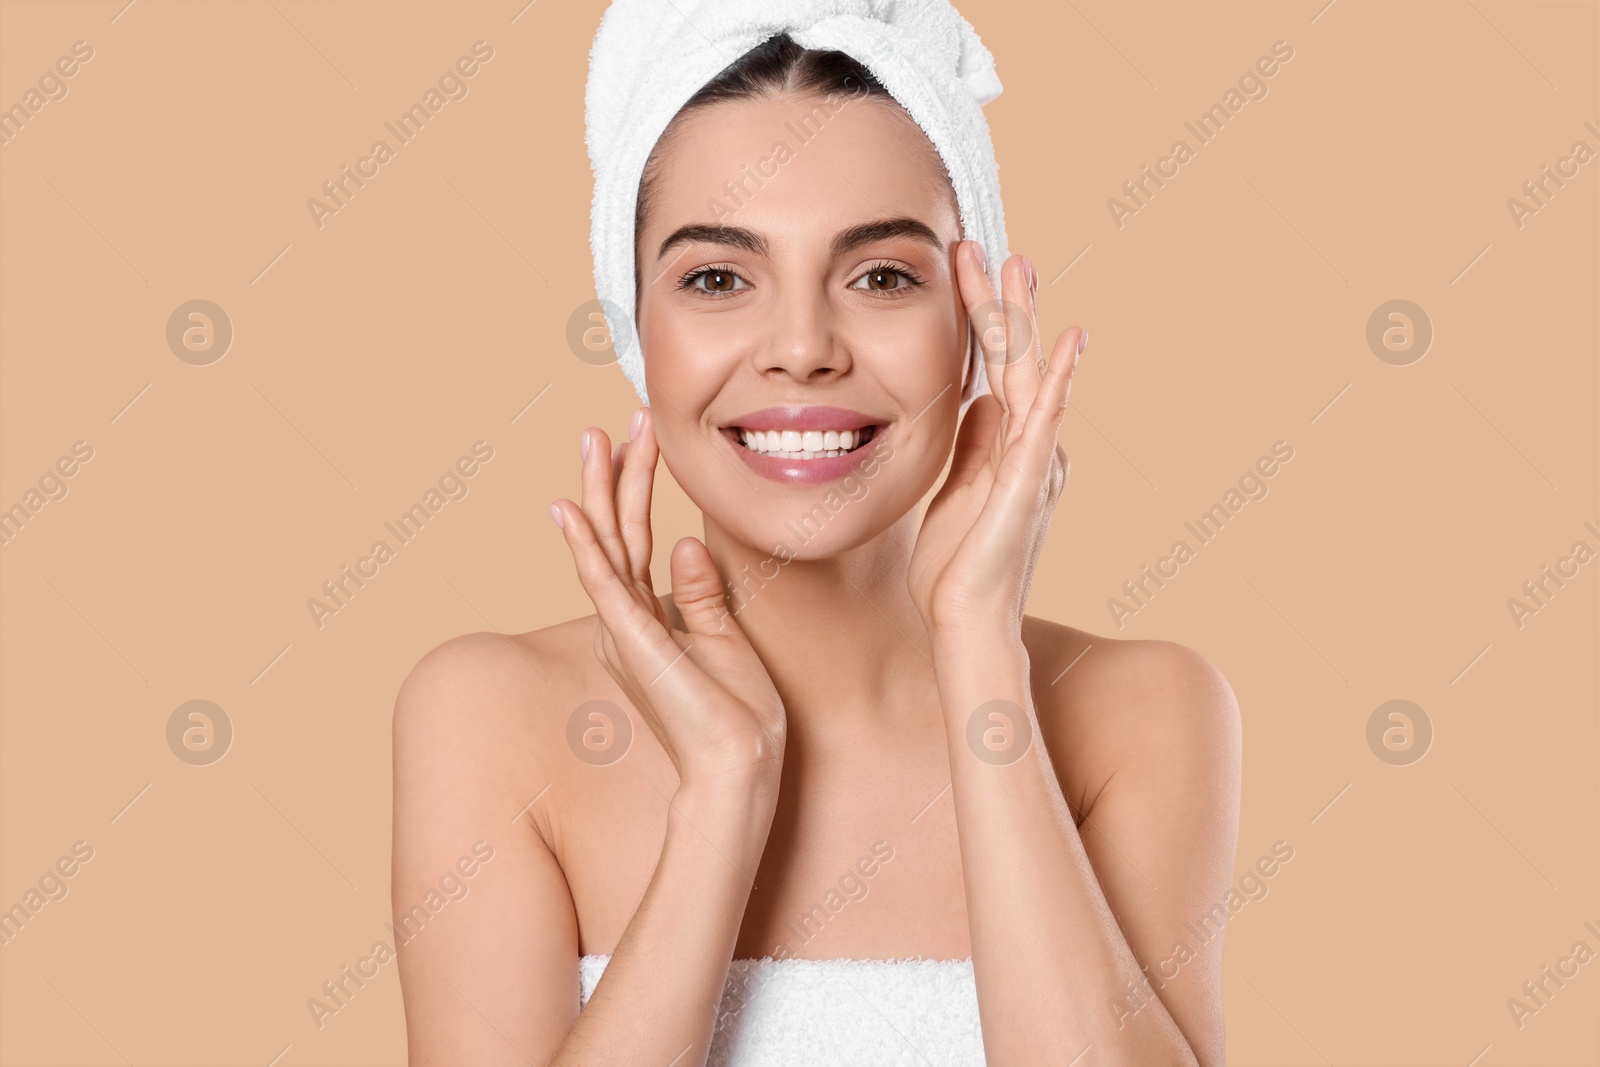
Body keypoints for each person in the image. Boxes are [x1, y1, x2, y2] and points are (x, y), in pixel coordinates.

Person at [392, 16, 1239, 1067]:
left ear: (978, 328)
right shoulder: (491, 716)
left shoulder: (1141, 714)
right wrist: (721, 796)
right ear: (634, 325)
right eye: (716, 278)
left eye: (881, 275)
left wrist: (981, 656)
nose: (801, 350)